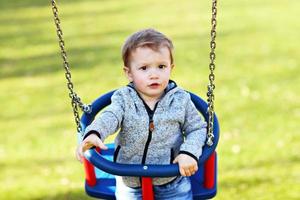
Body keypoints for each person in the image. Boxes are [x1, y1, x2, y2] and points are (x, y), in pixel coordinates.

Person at [76, 28, 207, 200]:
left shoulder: (180, 100)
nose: (154, 74)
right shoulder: (124, 99)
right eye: (144, 68)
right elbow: (110, 116)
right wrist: (94, 133)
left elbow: (197, 128)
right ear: (129, 73)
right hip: (129, 180)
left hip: (171, 178)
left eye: (161, 66)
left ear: (171, 68)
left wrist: (188, 152)